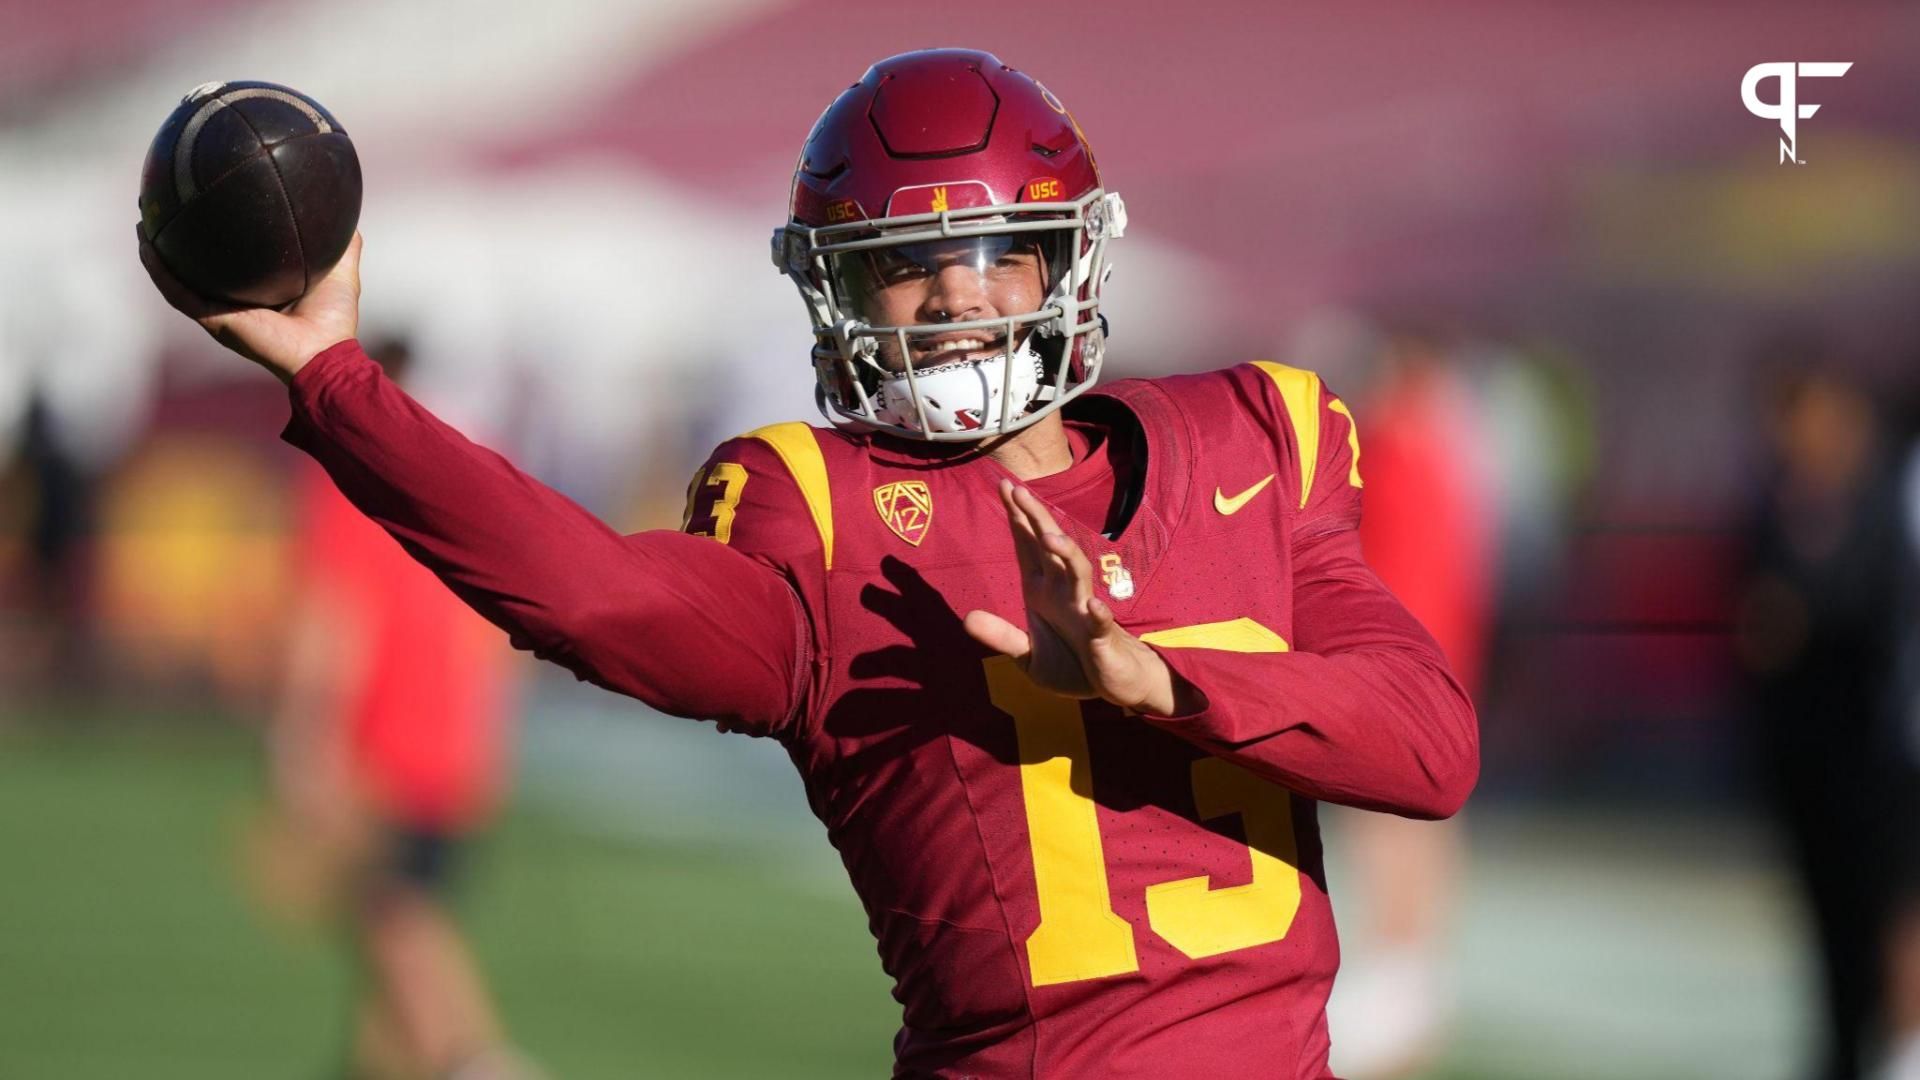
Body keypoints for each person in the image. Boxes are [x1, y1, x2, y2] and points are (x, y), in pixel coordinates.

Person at [142, 49, 1477, 1078]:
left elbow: (1431, 750)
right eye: (908, 267)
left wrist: (1156, 678)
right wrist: (337, 381)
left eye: (998, 256)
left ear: (1070, 256)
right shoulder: (820, 519)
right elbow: (591, 596)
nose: (959, 300)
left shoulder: (1254, 441)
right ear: (838, 295)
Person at [254, 337, 532, 1080]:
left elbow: (334, 623)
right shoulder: (469, 468)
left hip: (382, 753)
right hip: (453, 750)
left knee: (400, 933)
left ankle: (484, 1062)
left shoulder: (348, 482)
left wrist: (302, 744)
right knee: (394, 968)